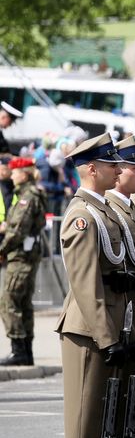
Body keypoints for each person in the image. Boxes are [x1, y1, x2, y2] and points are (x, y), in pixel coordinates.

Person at [57, 133, 129, 438]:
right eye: (110, 163)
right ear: (90, 168)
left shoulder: (103, 211)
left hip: (105, 326)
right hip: (87, 329)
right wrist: (107, 335)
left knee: (98, 414)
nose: (118, 169)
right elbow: (85, 283)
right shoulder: (82, 215)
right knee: (82, 417)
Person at [0, 157, 47, 366]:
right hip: (27, 256)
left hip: (20, 257)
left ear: (24, 174)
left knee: (9, 301)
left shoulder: (27, 198)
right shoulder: (30, 195)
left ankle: (18, 350)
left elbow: (18, 231)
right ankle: (26, 352)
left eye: (14, 172)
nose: (11, 176)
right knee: (23, 303)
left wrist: (2, 249)